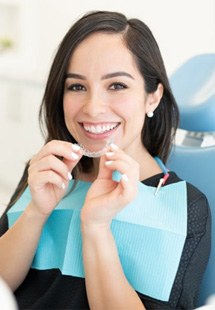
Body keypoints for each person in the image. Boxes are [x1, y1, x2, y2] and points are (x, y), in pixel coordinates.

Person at [0, 10, 211, 310]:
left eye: (117, 85)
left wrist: (96, 227)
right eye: (76, 86)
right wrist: (36, 211)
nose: (93, 107)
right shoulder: (44, 174)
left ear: (153, 96)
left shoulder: (185, 206)